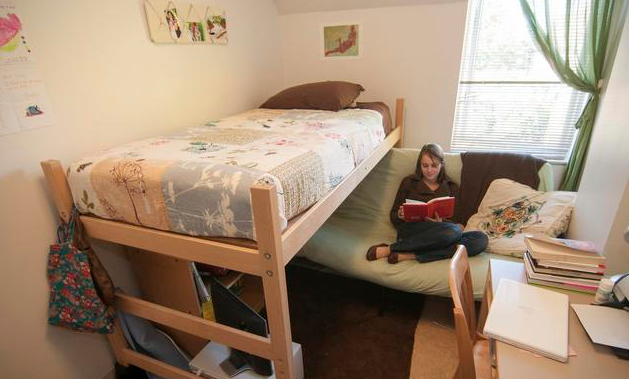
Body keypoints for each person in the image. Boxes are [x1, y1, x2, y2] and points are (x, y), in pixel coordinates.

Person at [366, 143, 488, 264]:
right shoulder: (409, 183)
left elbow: (460, 225)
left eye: (434, 165)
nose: (429, 170)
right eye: (425, 165)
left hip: (443, 234)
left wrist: (440, 224)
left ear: (441, 165)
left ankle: (411, 255)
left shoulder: (452, 188)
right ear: (420, 165)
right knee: (452, 232)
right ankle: (390, 249)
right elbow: (393, 216)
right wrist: (400, 215)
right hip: (413, 231)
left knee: (480, 239)